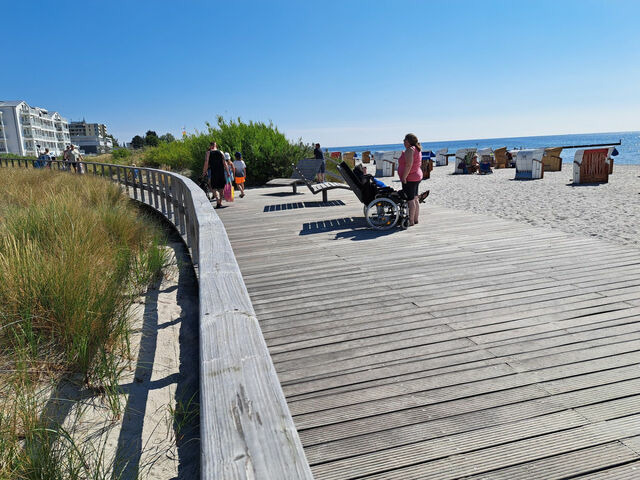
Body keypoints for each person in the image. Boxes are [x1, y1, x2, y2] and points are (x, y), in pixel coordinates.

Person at [398, 133, 423, 226]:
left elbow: (409, 165)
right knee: (415, 198)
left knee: (410, 199)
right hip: (417, 176)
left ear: (408, 141)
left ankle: (411, 221)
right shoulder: (417, 149)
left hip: (411, 178)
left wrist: (404, 177)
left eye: (404, 140)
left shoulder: (410, 150)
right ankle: (416, 219)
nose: (403, 142)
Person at [202, 142, 229, 209]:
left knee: (213, 187)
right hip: (221, 172)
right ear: (215, 145)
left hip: (213, 172)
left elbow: (206, 162)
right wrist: (228, 172)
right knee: (221, 187)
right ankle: (220, 202)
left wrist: (204, 171)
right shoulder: (221, 152)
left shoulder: (208, 153)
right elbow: (225, 163)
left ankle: (217, 201)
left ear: (210, 146)